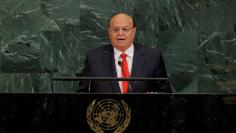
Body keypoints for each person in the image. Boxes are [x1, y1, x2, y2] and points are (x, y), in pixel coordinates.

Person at [78, 12, 171, 93]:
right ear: (109, 32)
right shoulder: (94, 58)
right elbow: (82, 94)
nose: (120, 34)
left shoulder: (152, 57)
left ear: (133, 31)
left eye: (125, 29)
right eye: (115, 30)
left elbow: (165, 93)